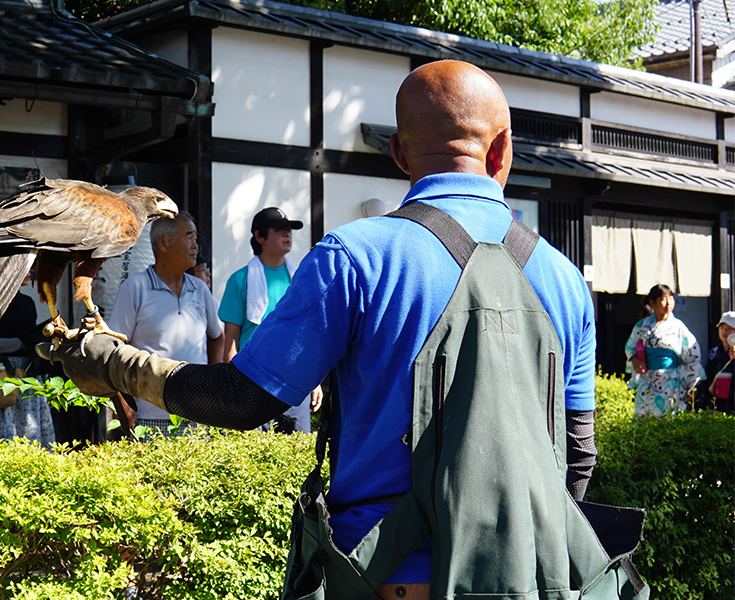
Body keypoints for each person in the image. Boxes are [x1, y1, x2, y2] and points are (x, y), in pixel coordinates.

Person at [42, 61, 604, 597]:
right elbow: (577, 457)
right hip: (533, 576)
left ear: (399, 153)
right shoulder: (563, 278)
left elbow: (241, 401)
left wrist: (114, 362)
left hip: (390, 574)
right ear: (502, 150)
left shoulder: (356, 257)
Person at [106, 213, 223, 437]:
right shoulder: (135, 288)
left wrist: (213, 384)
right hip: (149, 415)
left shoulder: (200, 289)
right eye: (189, 237)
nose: (195, 246)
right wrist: (122, 401)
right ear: (163, 243)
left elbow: (216, 336)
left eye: (196, 238)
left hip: (197, 415)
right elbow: (115, 350)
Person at [218, 207, 321, 433]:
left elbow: (309, 336)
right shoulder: (239, 280)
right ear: (259, 237)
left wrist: (315, 381)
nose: (287, 234)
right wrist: (234, 388)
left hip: (295, 385)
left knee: (296, 459)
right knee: (252, 459)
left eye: (289, 230)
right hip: (252, 385)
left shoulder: (301, 279)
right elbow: (231, 343)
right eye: (279, 230)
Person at [0, 272, 56, 448]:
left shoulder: (27, 302)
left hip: (27, 371)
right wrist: (23, 342)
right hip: (1, 371)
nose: (30, 273)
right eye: (24, 268)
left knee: (27, 426)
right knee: (7, 422)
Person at [624, 284, 705, 416]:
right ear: (652, 303)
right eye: (663, 299)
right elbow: (629, 347)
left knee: (667, 417)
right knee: (644, 419)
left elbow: (692, 353)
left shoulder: (678, 326)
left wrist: (693, 383)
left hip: (669, 380)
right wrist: (634, 360)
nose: (669, 303)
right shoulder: (641, 326)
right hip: (647, 379)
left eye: (671, 298)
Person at [694, 311, 735, 414]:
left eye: (729, 328)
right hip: (717, 404)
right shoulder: (714, 353)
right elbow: (707, 377)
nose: (724, 332)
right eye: (722, 328)